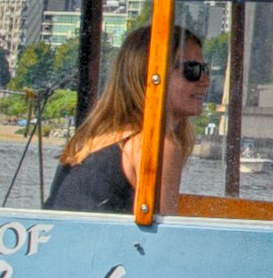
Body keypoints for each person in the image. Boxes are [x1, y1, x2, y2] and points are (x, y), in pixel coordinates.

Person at [46, 29, 210, 213]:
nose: (205, 81)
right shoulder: (155, 146)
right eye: (193, 70)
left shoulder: (91, 140)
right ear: (151, 74)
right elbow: (163, 238)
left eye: (206, 70)